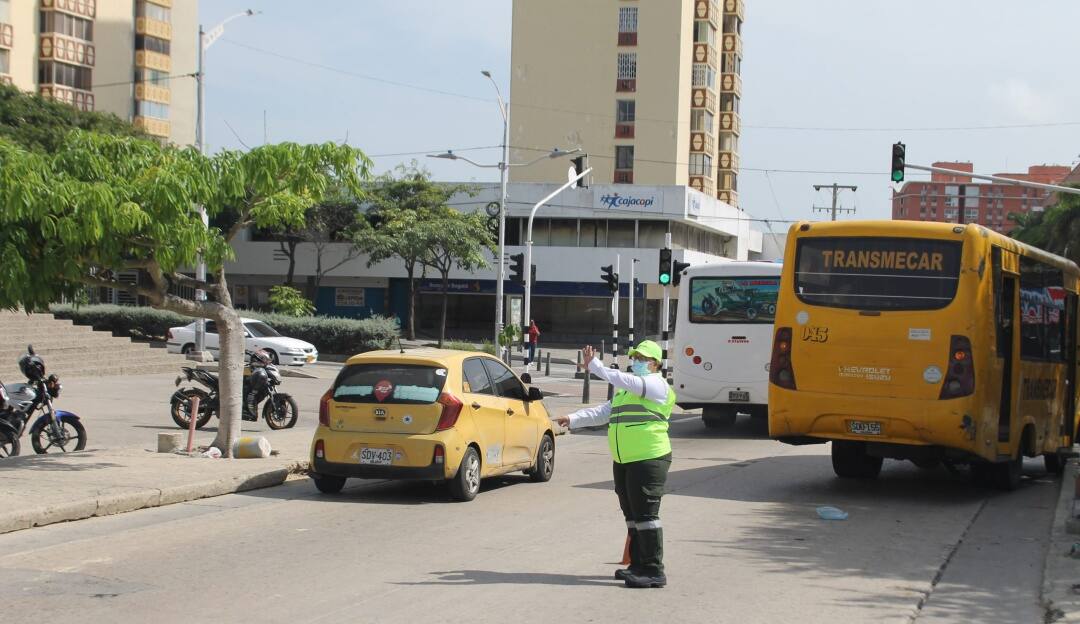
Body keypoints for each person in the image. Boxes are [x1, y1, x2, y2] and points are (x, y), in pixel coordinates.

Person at [555, 340, 675, 589]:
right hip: (624, 459)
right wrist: (572, 418)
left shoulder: (656, 385)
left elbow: (623, 379)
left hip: (648, 458)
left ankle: (654, 569)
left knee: (646, 515)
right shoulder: (625, 393)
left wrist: (596, 367)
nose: (637, 362)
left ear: (655, 364)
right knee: (632, 515)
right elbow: (602, 413)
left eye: (642, 358)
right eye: (635, 357)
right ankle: (638, 564)